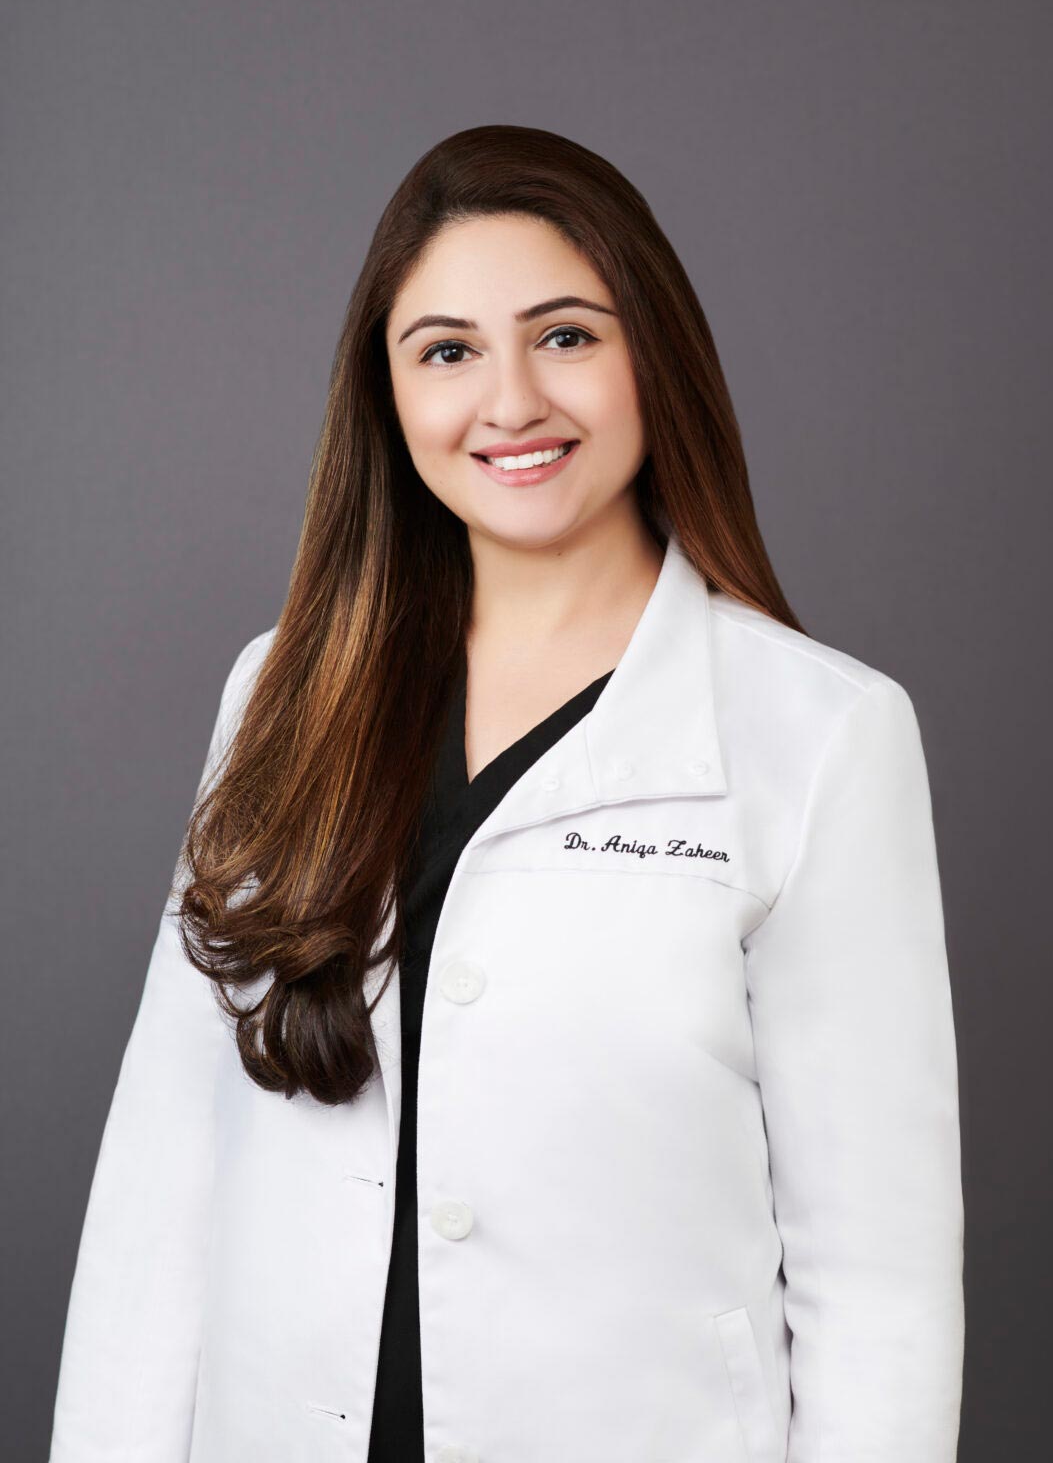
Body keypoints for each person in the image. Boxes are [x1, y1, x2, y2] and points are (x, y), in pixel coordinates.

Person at [48, 124, 965, 1463]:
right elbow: (164, 1178)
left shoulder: (820, 735)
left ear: (654, 354)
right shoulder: (281, 693)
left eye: (568, 336)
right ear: (388, 393)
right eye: (449, 350)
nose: (512, 402)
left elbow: (876, 1283)